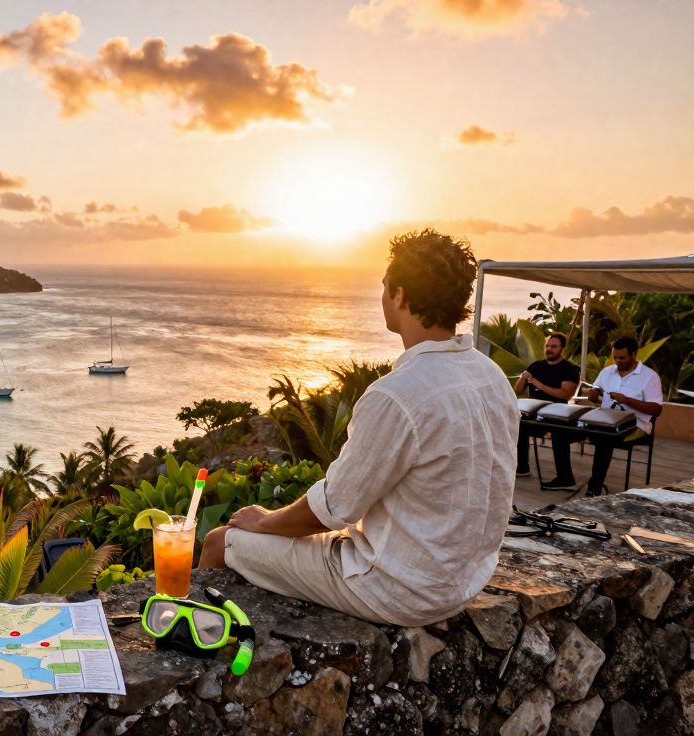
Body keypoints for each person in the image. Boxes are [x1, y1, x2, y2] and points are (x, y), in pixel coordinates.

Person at [197, 229, 518, 627]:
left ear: (399, 294)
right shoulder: (490, 376)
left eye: (385, 286)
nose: (383, 296)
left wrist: (262, 520)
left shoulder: (398, 394)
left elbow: (332, 509)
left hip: (398, 589)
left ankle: (190, 647)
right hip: (462, 581)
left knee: (219, 541)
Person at [579, 336, 663, 496]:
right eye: (615, 357)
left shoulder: (649, 377)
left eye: (622, 357)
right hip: (607, 419)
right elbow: (597, 395)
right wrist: (594, 395)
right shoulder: (607, 372)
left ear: (634, 354)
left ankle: (594, 487)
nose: (617, 361)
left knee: (604, 438)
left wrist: (627, 400)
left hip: (636, 424)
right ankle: (564, 477)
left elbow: (656, 410)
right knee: (571, 427)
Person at [513, 333, 580, 489]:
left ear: (562, 349)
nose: (549, 349)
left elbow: (566, 394)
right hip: (533, 413)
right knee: (517, 422)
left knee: (559, 432)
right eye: (548, 346)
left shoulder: (569, 369)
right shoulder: (536, 366)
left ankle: (565, 478)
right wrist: (523, 378)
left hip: (557, 413)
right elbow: (519, 390)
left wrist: (538, 383)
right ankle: (522, 467)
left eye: (554, 347)